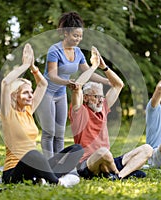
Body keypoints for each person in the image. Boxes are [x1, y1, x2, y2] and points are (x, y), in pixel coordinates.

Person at [0, 43, 84, 187]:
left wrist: (33, 68)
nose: (31, 95)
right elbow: (6, 82)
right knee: (34, 154)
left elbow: (43, 84)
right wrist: (24, 65)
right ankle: (57, 182)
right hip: (13, 172)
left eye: (31, 92)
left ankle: (43, 179)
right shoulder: (7, 114)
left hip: (34, 168)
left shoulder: (28, 111)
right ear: (14, 96)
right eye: (26, 92)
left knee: (76, 149)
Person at [69, 47, 153, 180]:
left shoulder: (102, 107)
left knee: (147, 149)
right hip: (88, 163)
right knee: (103, 152)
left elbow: (118, 85)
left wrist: (103, 66)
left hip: (108, 160)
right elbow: (78, 86)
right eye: (96, 96)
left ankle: (119, 175)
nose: (100, 100)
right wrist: (93, 66)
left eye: (101, 97)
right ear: (85, 98)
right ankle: (119, 172)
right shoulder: (79, 111)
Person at [36, 11, 109, 158]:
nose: (78, 39)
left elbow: (88, 72)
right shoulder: (54, 50)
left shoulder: (78, 53)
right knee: (49, 131)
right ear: (65, 33)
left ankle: (58, 164)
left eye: (80, 36)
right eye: (75, 35)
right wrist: (67, 82)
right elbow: (52, 75)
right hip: (46, 93)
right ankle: (49, 166)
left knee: (60, 133)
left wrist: (106, 80)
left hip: (61, 93)